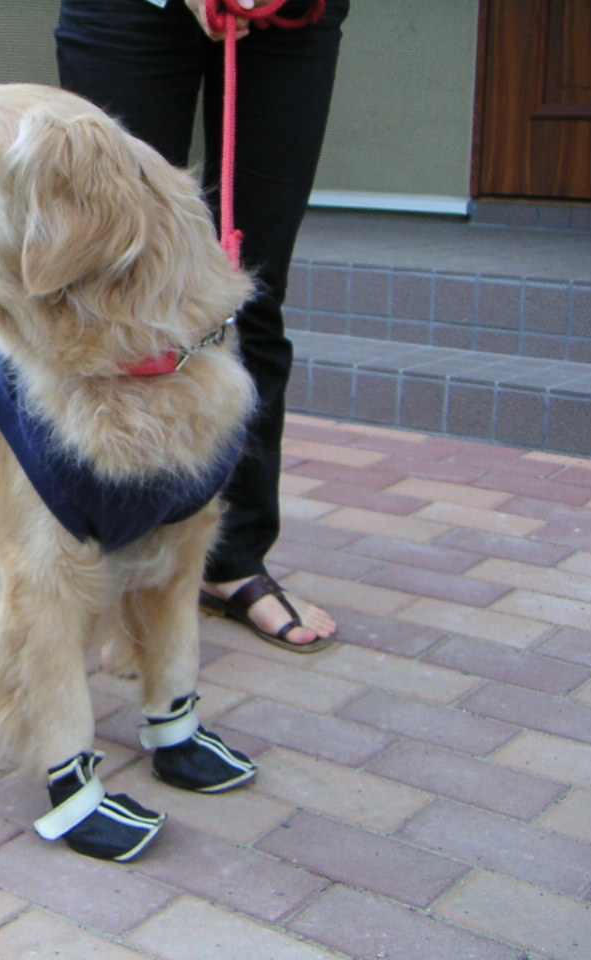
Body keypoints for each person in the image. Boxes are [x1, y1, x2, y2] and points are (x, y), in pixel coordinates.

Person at [56, 0, 348, 652]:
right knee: (111, 284)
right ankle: (96, 550)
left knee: (250, 290)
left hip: (288, 19)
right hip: (130, 12)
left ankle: (231, 559)